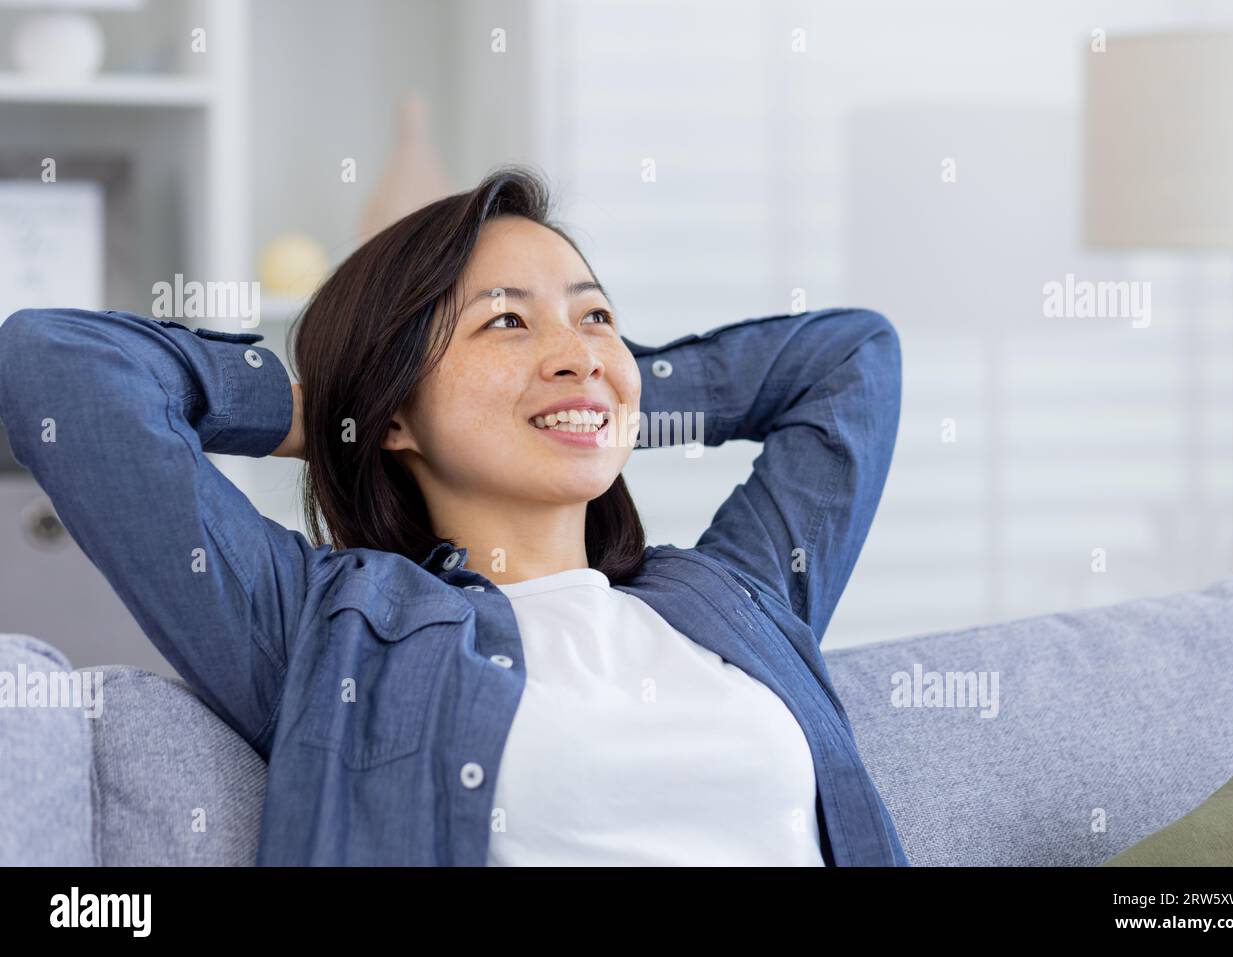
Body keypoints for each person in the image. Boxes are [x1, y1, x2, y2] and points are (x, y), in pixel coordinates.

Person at [0, 164, 908, 866]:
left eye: (597, 317)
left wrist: (610, 392)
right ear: (395, 411)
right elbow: (60, 364)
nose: (576, 350)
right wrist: (333, 406)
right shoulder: (325, 632)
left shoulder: (737, 600)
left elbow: (851, 360)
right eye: (505, 323)